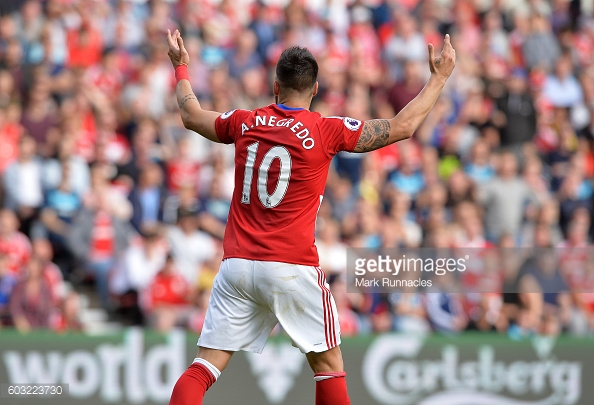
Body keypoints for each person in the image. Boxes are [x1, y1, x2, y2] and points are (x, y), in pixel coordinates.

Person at [165, 28, 455, 405]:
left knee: (205, 366)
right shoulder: (325, 130)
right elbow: (402, 127)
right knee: (329, 365)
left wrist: (182, 67)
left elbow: (189, 114)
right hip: (290, 266)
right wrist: (439, 78)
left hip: (237, 265)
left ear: (275, 86)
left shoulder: (244, 122)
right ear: (315, 89)